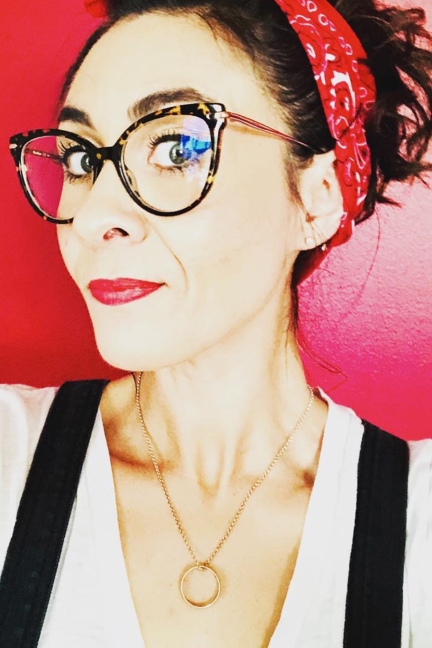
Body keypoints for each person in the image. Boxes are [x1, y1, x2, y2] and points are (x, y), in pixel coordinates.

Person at [1, 0, 432, 646]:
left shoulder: (419, 525)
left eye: (176, 147)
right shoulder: (9, 456)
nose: (92, 218)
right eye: (82, 160)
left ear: (317, 198)